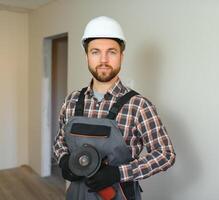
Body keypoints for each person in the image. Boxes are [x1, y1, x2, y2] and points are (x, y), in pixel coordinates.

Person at [53, 16, 175, 200]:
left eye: (111, 52)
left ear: (121, 56)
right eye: (95, 52)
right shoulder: (71, 101)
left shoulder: (139, 105)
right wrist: (63, 160)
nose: (103, 59)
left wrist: (118, 173)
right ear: (86, 56)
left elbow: (165, 155)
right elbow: (60, 142)